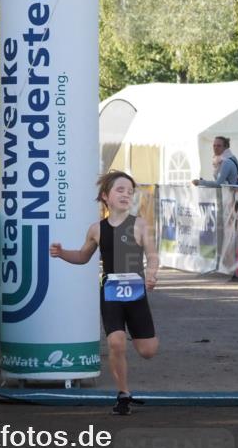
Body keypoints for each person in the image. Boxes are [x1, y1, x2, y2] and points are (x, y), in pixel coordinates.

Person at [50, 171, 159, 416]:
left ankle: (134, 340)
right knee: (115, 341)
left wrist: (151, 273)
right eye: (120, 190)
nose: (126, 195)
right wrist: (62, 252)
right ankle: (123, 393)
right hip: (110, 293)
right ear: (105, 196)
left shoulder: (140, 225)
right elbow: (82, 256)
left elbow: (152, 254)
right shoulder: (96, 230)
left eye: (130, 191)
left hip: (136, 293)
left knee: (148, 351)